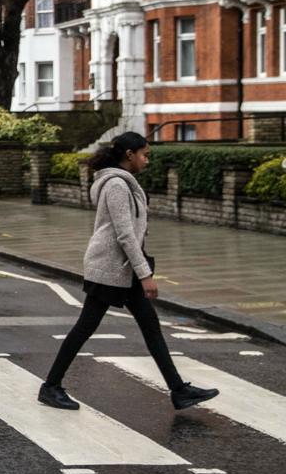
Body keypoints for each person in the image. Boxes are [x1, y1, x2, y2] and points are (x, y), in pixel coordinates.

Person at [38, 132, 219, 411]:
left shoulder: (121, 182)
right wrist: (145, 274)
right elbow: (124, 234)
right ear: (130, 154)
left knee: (151, 327)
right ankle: (50, 386)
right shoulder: (117, 185)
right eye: (145, 155)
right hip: (110, 267)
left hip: (123, 267)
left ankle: (179, 390)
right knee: (85, 327)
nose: (148, 160)